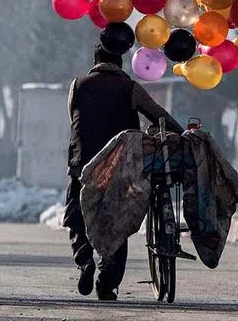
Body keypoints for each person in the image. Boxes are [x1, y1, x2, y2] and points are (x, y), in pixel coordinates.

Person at [65, 43, 183, 302]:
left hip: (82, 165)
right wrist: (180, 133)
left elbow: (74, 118)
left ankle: (84, 259)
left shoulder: (77, 85)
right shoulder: (130, 88)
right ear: (120, 63)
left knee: (77, 216)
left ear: (95, 61)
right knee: (118, 220)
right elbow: (158, 115)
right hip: (119, 167)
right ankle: (107, 282)